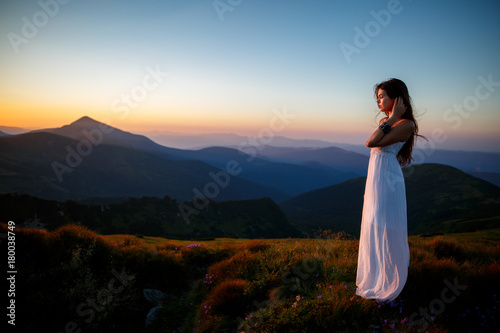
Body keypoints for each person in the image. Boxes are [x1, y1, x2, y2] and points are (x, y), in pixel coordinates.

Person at [356, 78, 423, 303]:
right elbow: (374, 143)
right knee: (373, 223)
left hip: (388, 179)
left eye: (382, 96)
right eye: (377, 98)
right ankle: (375, 276)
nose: (378, 101)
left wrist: (393, 117)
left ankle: (391, 280)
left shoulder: (405, 124)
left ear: (397, 98)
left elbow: (371, 142)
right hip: (376, 178)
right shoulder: (387, 121)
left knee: (386, 225)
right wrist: (390, 118)